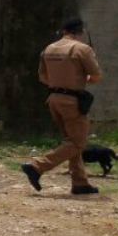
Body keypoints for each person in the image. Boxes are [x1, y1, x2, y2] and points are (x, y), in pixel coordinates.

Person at [22, 17, 102, 195]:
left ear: (63, 31)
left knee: (71, 141)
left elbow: (42, 77)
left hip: (54, 98)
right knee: (77, 141)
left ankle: (80, 182)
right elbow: (95, 76)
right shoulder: (82, 49)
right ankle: (36, 166)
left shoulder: (48, 48)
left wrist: (60, 82)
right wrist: (81, 79)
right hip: (72, 100)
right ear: (80, 32)